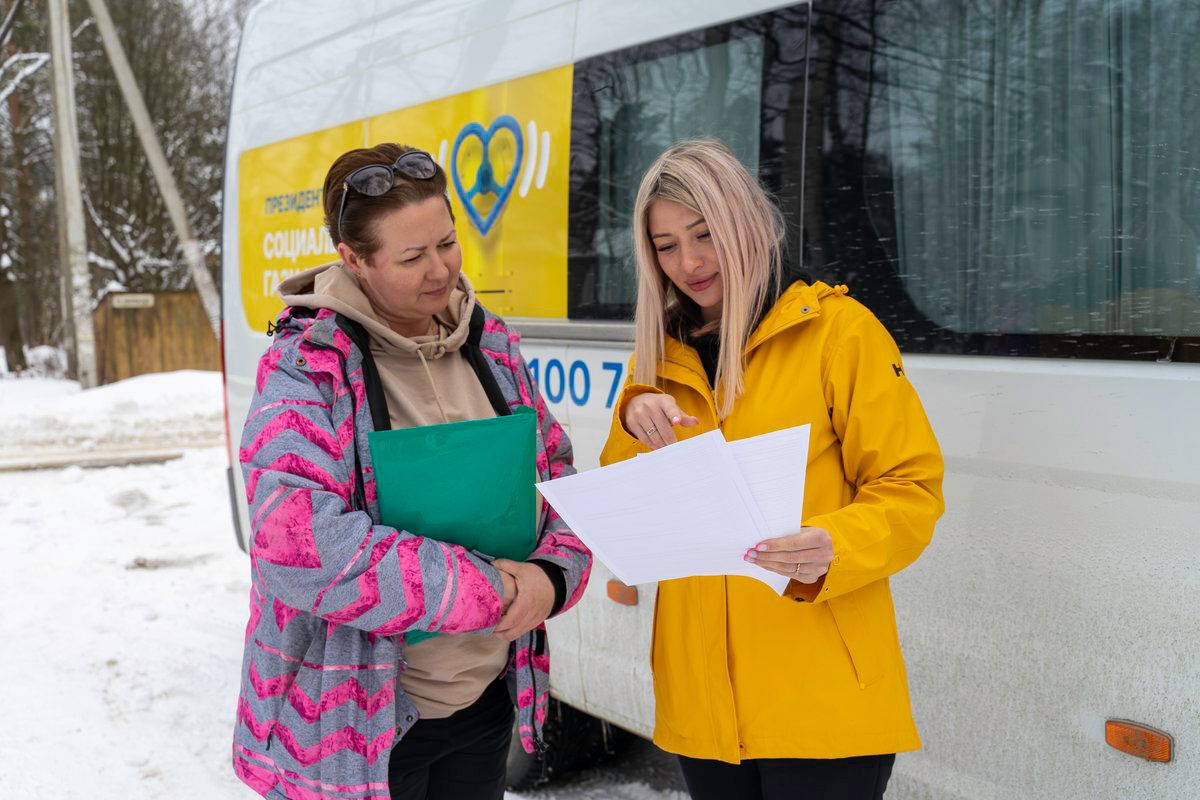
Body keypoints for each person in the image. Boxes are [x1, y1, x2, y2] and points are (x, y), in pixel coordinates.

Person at [232, 143, 592, 800]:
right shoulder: (306, 368)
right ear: (354, 260)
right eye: (411, 257)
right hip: (363, 723)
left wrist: (549, 575)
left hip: (484, 706)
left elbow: (558, 473)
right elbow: (295, 541)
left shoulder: (493, 345)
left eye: (447, 244)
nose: (441, 271)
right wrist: (485, 591)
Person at [599, 139, 945, 800]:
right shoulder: (658, 359)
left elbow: (912, 491)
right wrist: (633, 417)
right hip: (701, 707)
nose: (689, 263)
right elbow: (633, 509)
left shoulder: (840, 333)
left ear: (747, 223)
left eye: (704, 235)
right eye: (666, 245)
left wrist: (836, 546)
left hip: (822, 704)